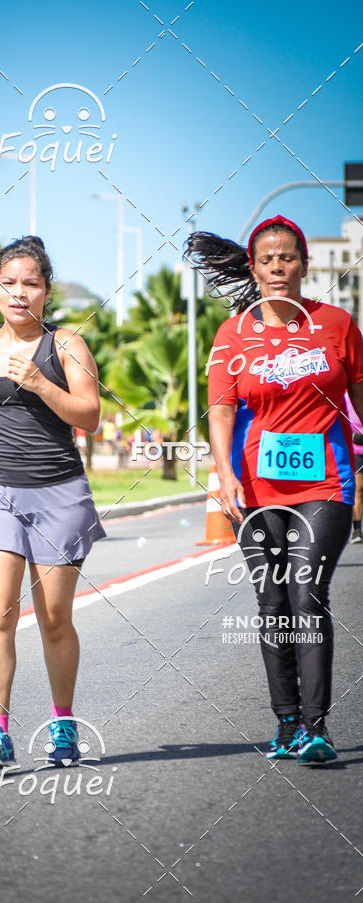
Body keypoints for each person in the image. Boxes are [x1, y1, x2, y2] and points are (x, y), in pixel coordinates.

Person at [186, 214, 363, 764]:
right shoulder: (232, 334)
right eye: (267, 259)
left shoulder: (337, 325)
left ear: (304, 267)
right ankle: (285, 723)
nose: (278, 267)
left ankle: (317, 727)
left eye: (288, 257)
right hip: (256, 490)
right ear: (253, 268)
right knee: (273, 602)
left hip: (326, 481)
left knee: (307, 595)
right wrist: (226, 477)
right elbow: (219, 411)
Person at [0, 235, 105, 771]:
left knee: (55, 617)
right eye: (8, 283)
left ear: (46, 291)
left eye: (30, 284)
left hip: (58, 491)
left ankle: (63, 726)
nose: (19, 293)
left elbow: (89, 416)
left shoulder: (66, 346)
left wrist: (40, 383)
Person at [344, 392, 363, 543]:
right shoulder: (347, 398)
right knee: (359, 489)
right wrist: (353, 436)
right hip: (357, 450)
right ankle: (357, 530)